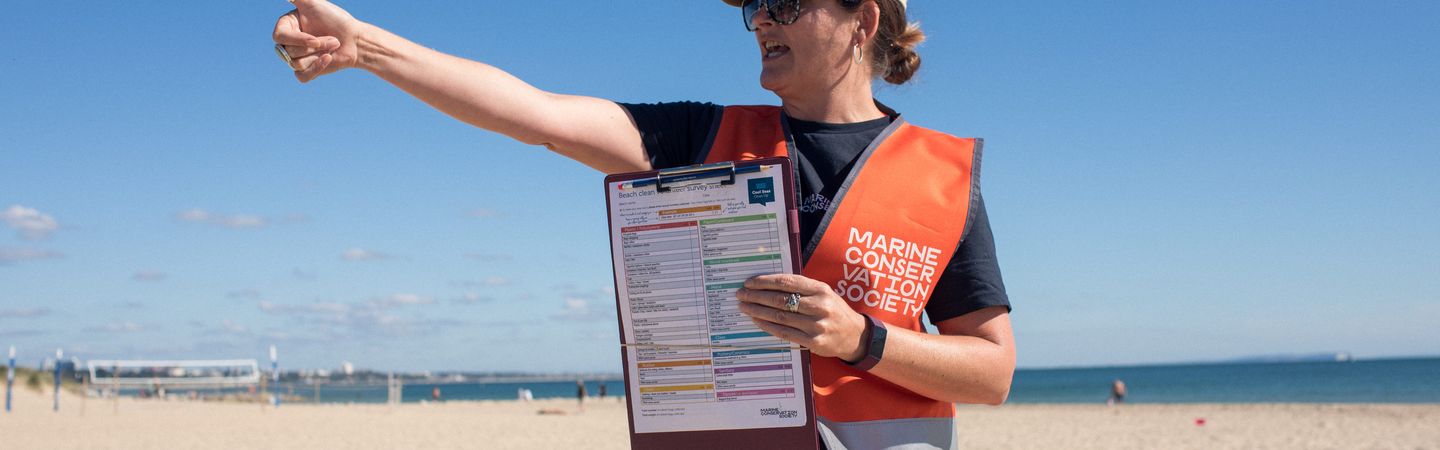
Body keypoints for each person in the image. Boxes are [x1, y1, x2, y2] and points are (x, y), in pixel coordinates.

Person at [271, 1, 1015, 448]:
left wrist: (862, 338)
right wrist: (367, 48)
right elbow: (540, 118)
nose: (761, 18)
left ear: (864, 19)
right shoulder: (703, 137)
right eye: (755, 3)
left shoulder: (942, 176)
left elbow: (992, 371)